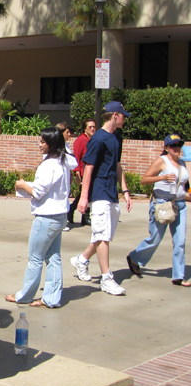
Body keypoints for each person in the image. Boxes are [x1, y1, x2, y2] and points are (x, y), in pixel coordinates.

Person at [6, 128, 76, 308]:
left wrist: (22, 185)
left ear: (51, 144)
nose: (39, 145)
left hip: (45, 218)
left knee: (35, 257)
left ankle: (25, 296)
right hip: (60, 216)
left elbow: (37, 192)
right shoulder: (63, 162)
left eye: (43, 142)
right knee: (53, 257)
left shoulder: (49, 165)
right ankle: (51, 298)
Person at [71, 101, 133, 295]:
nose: (125, 118)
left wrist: (125, 190)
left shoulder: (117, 138)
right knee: (102, 235)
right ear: (115, 115)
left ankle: (81, 260)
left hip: (111, 192)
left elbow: (117, 164)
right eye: (123, 115)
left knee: (103, 234)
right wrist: (83, 197)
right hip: (99, 193)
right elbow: (88, 167)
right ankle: (106, 278)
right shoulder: (97, 139)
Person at [126, 134, 191, 286]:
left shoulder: (182, 163)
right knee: (155, 238)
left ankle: (178, 276)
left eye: (179, 145)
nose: (177, 148)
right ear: (166, 148)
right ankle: (135, 257)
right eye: (173, 145)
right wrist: (162, 178)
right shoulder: (161, 162)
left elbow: (185, 187)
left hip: (179, 205)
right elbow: (144, 180)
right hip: (162, 204)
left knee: (180, 241)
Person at [68, 118, 95, 227]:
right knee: (84, 194)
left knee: (86, 194)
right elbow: (77, 158)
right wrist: (77, 174)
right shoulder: (80, 140)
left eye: (94, 126)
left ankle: (80, 215)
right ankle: (78, 213)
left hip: (91, 173)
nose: (93, 129)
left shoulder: (91, 140)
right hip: (83, 173)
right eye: (90, 127)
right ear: (85, 129)